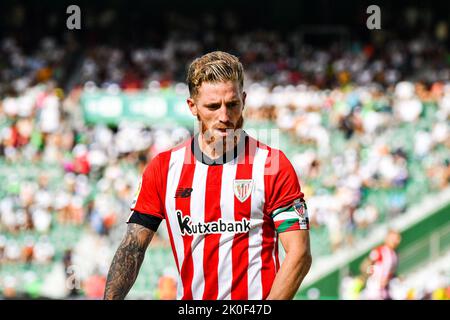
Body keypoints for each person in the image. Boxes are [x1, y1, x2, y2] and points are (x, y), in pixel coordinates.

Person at [103, 51, 312, 300]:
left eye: (232, 104)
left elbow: (299, 253)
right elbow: (132, 247)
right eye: (213, 106)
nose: (224, 116)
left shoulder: (273, 165)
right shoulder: (163, 168)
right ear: (193, 107)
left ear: (243, 100)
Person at [362, 229, 402, 300]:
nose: (397, 241)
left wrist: (396, 277)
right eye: (395, 238)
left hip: (385, 292)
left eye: (398, 238)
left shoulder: (395, 255)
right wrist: (375, 276)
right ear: (387, 238)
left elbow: (390, 273)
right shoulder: (380, 251)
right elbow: (365, 267)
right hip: (374, 292)